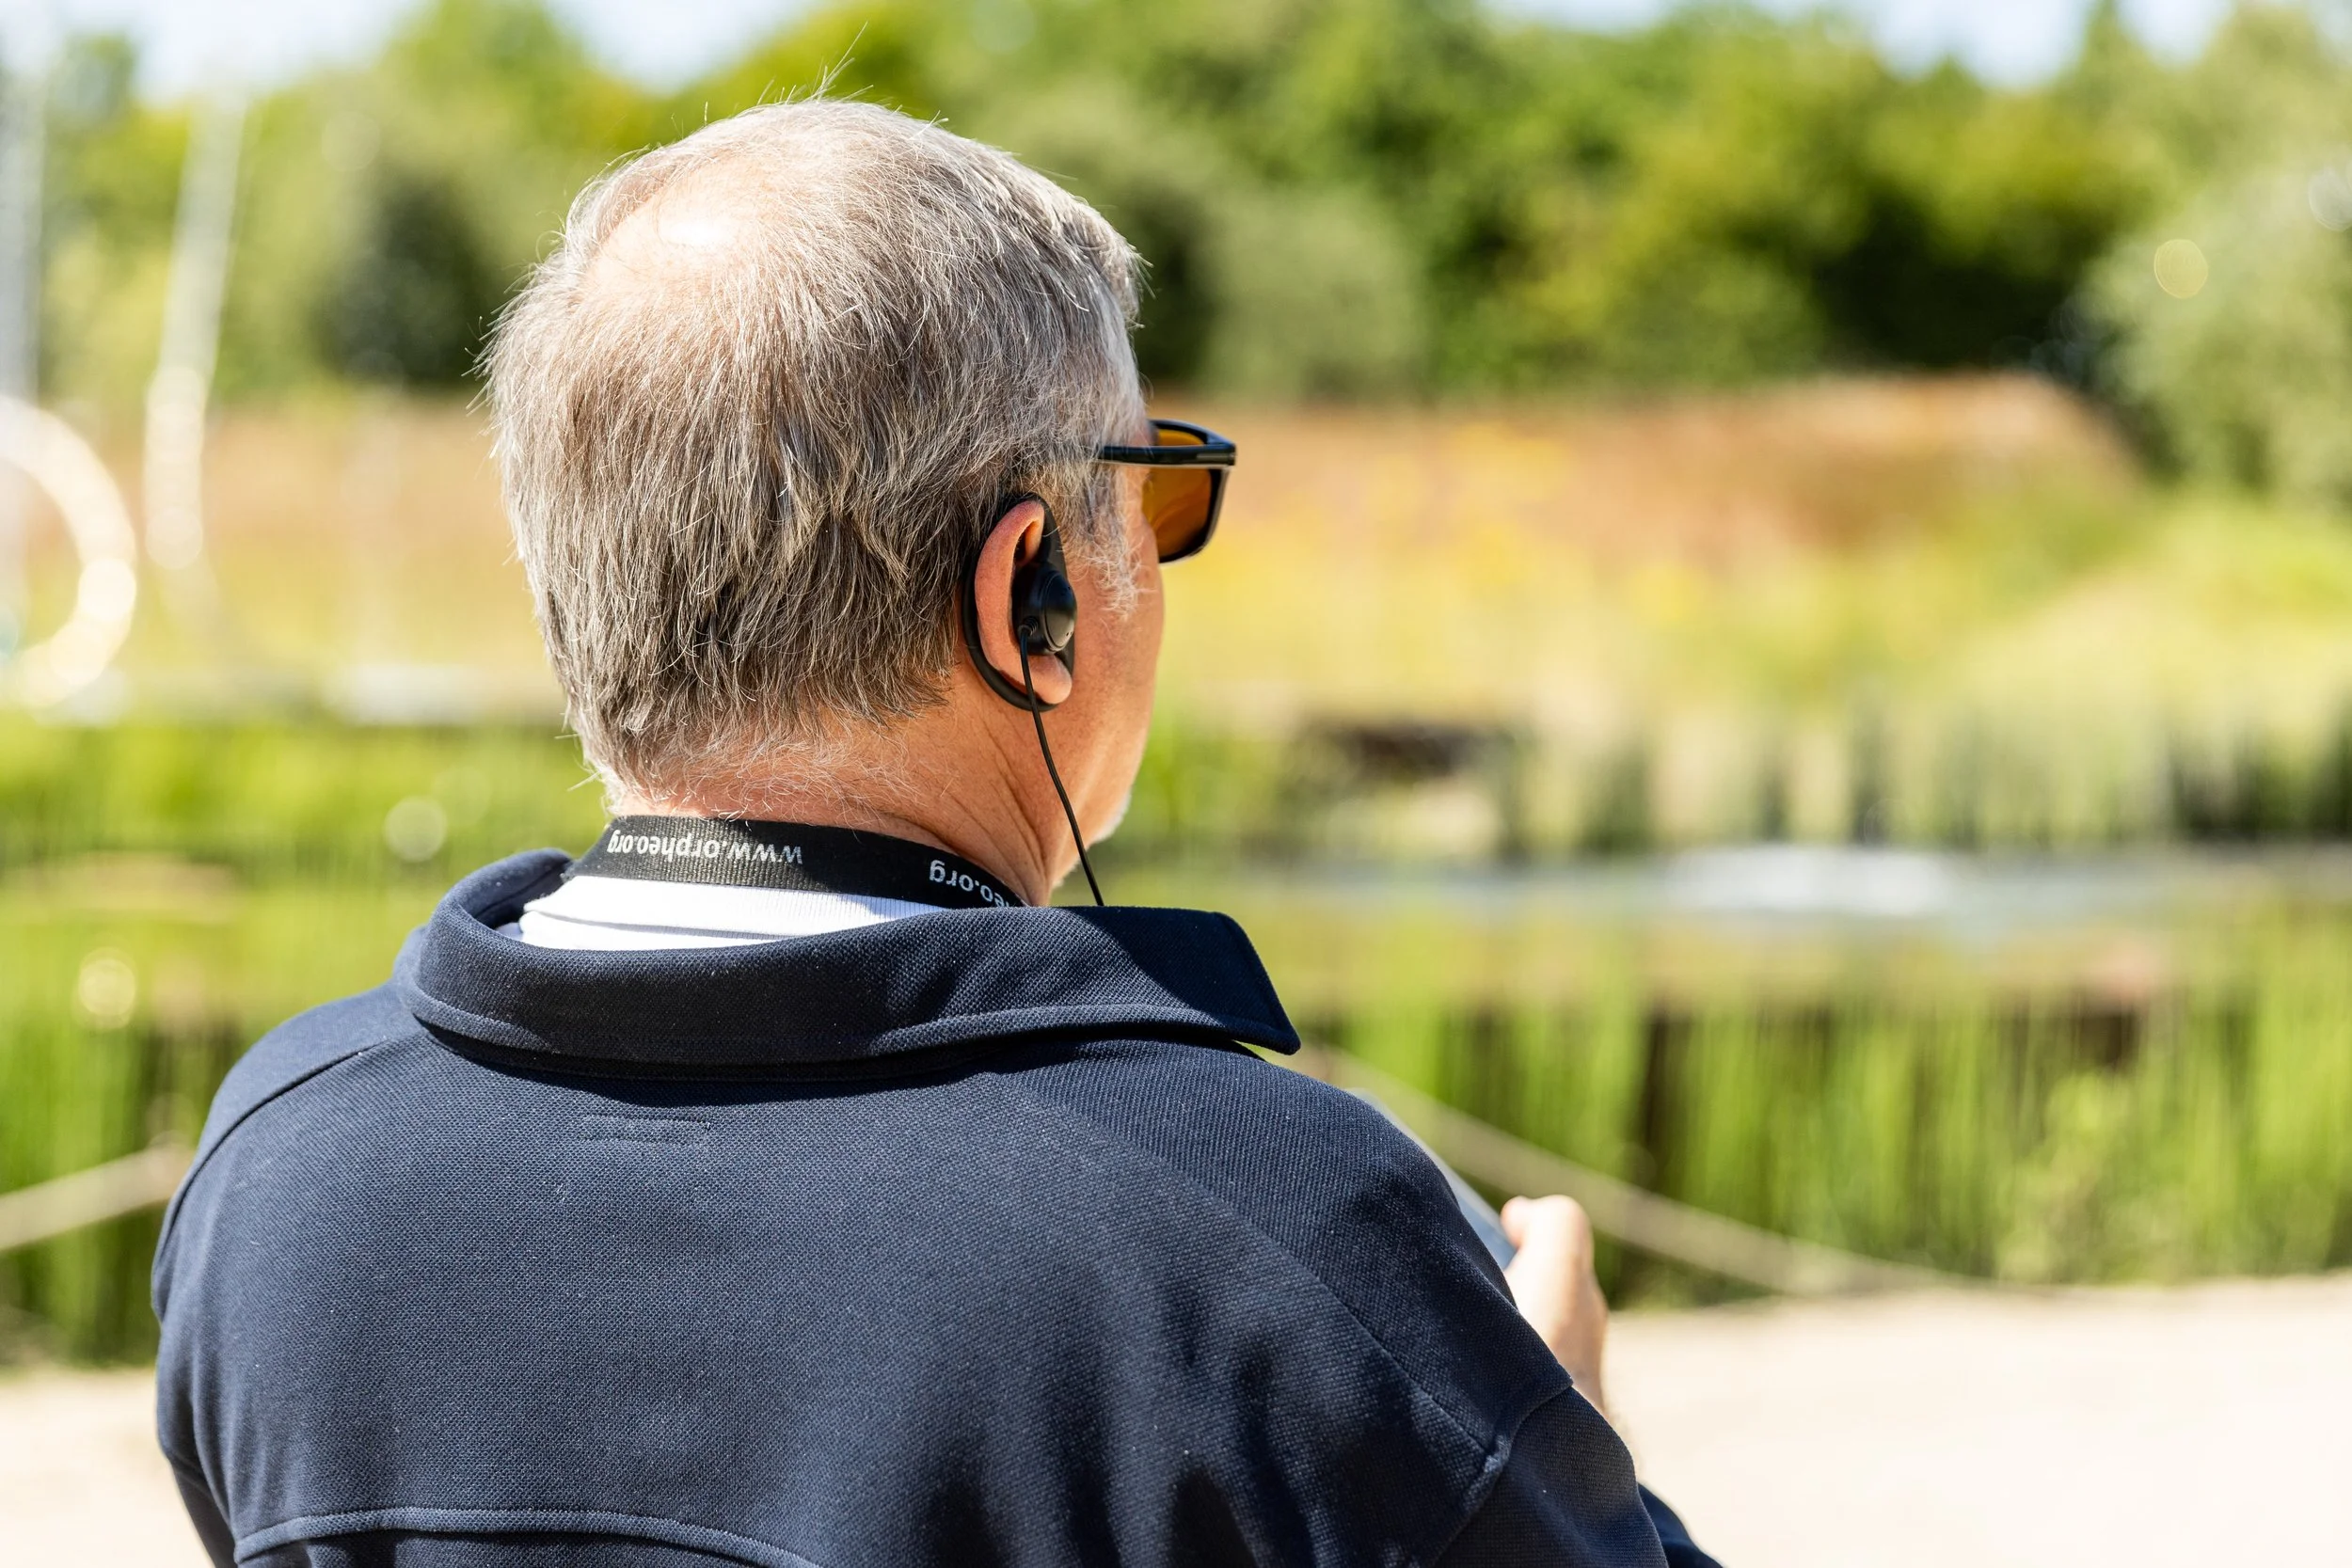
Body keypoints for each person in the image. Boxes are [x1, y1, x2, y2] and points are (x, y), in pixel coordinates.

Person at [152, 100, 1717, 1567]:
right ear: (1026, 592)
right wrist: (1559, 1438)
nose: (1164, 559)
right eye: (1156, 494)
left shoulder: (276, 1167)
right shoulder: (1286, 1241)